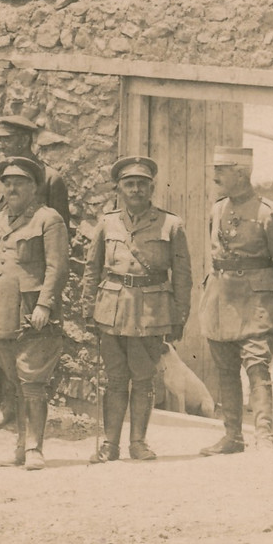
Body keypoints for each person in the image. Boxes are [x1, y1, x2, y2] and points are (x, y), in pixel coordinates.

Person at [81, 156, 192, 463]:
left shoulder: (171, 224)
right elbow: (92, 269)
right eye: (129, 184)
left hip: (150, 311)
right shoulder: (107, 223)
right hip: (111, 310)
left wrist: (180, 315)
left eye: (142, 185)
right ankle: (110, 444)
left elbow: (182, 275)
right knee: (115, 380)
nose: (136, 190)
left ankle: (138, 443)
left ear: (151, 188)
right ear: (119, 189)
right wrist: (88, 307)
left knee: (143, 379)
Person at [199, 147, 273, 455]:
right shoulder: (217, 210)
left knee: (257, 367)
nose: (215, 176)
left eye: (222, 170)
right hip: (221, 299)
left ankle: (264, 436)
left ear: (241, 173)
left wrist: (261, 283)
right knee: (225, 369)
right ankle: (232, 436)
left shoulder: (268, 213)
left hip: (256, 302)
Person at [0, 156, 69, 470]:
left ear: (34, 187)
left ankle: (34, 447)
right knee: (14, 379)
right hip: (2, 311)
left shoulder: (48, 219)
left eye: (20, 182)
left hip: (32, 311)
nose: (13, 188)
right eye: (8, 182)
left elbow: (57, 267)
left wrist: (45, 304)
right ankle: (19, 445)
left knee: (32, 380)